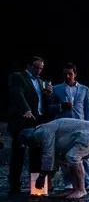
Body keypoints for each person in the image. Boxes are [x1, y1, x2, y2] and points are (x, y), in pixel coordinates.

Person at [22, 118, 89, 199]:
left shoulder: (41, 132)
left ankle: (81, 190)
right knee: (64, 160)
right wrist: (48, 176)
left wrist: (42, 176)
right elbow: (55, 159)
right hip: (85, 135)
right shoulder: (45, 129)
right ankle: (74, 189)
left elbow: (48, 155)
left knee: (72, 156)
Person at [7, 56, 53, 194]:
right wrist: (25, 109)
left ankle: (37, 188)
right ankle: (14, 186)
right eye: (36, 67)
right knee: (18, 154)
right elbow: (18, 94)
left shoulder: (40, 81)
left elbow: (42, 101)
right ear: (28, 66)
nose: (38, 70)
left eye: (41, 68)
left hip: (37, 121)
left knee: (37, 155)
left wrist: (49, 94)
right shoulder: (18, 77)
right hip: (21, 121)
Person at [51, 63, 89, 191]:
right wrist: (61, 107)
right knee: (65, 156)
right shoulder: (56, 88)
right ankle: (69, 182)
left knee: (84, 154)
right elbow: (49, 108)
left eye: (70, 74)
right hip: (64, 126)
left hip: (81, 125)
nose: (67, 76)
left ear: (75, 74)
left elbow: (88, 109)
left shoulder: (84, 89)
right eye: (65, 74)